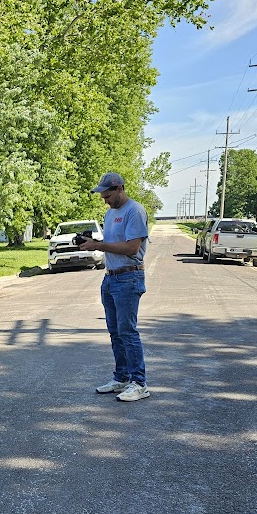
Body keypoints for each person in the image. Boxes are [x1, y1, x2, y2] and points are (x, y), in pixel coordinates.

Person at [77, 172, 150, 402]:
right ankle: (122, 378)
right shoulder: (110, 213)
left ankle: (139, 383)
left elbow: (131, 248)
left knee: (128, 332)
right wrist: (92, 242)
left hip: (129, 277)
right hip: (111, 278)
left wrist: (99, 245)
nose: (104, 199)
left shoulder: (134, 211)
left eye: (107, 195)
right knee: (115, 332)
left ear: (119, 188)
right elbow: (111, 243)